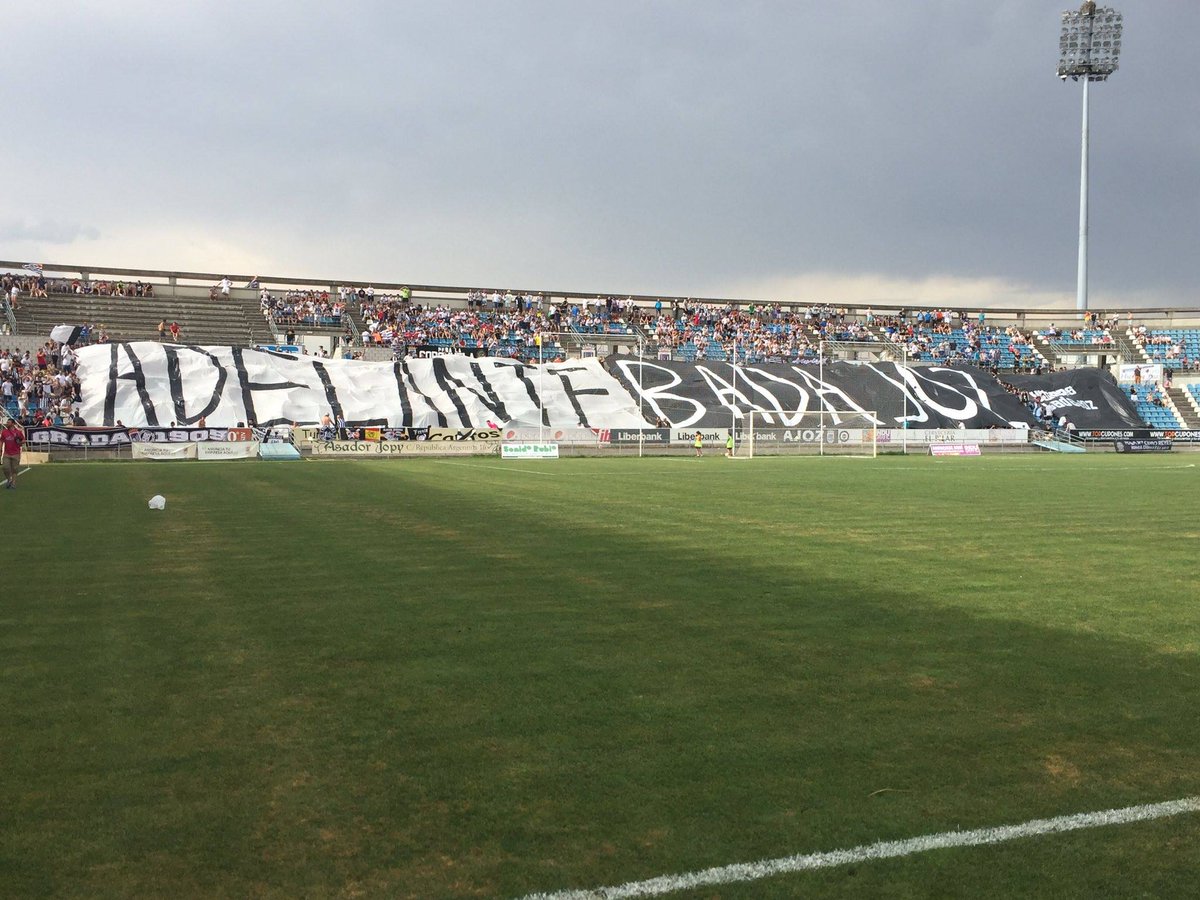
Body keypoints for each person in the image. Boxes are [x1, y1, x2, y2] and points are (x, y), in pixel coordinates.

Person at [1, 417, 24, 489]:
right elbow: (1, 440)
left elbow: (23, 440)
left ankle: (13, 483)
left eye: (9, 422)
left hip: (16, 453)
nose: (7, 423)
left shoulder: (18, 432)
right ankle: (9, 479)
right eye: (7, 422)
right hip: (7, 453)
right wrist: (0, 448)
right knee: (5, 467)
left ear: (13, 424)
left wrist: (20, 442)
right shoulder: (4, 432)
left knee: (15, 469)